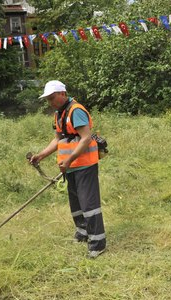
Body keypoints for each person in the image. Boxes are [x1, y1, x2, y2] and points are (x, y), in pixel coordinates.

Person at [30, 80, 106, 259]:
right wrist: (41, 155)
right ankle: (83, 233)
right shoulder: (58, 114)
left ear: (62, 94)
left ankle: (98, 243)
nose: (50, 102)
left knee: (89, 205)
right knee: (76, 204)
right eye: (48, 99)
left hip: (84, 164)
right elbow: (58, 139)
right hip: (70, 167)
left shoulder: (76, 111)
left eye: (52, 98)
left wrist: (70, 159)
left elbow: (86, 138)